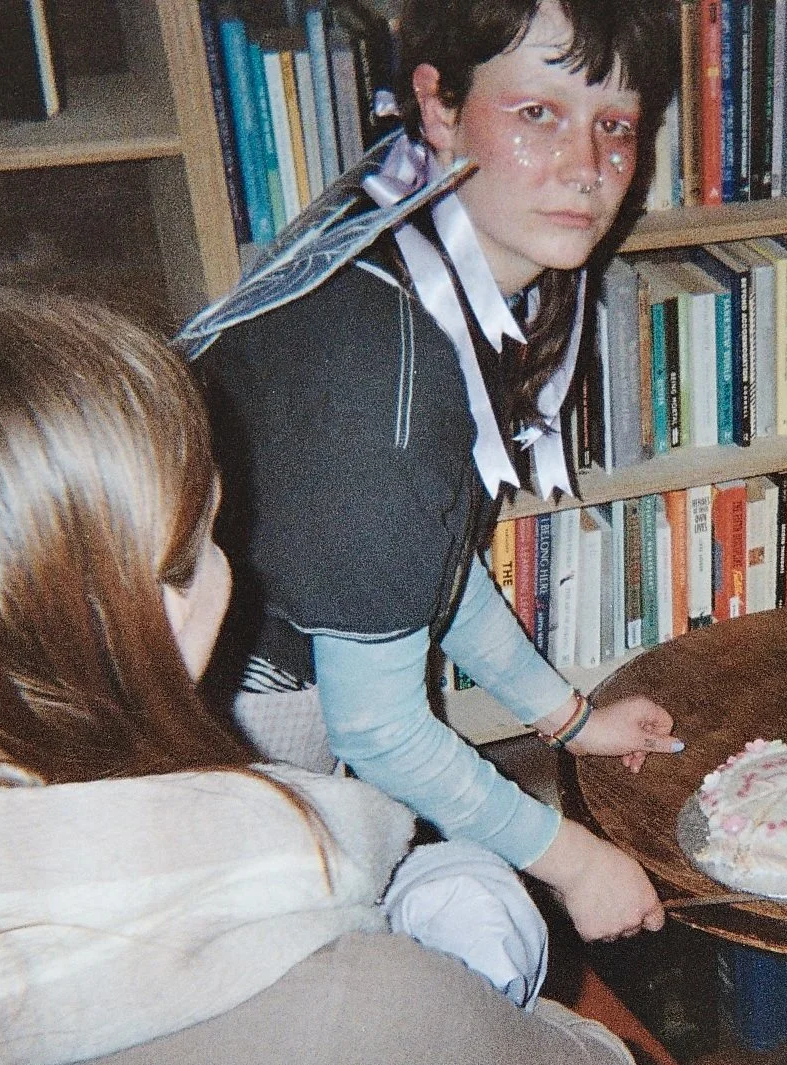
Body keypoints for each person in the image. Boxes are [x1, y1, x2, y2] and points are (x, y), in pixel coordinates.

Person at [0, 286, 634, 1064]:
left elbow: (421, 571)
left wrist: (568, 717)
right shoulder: (366, 1008)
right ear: (161, 606)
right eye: (210, 535)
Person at [180, 0, 684, 945]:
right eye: (538, 113)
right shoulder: (382, 369)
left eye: (615, 126)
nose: (586, 167)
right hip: (225, 723)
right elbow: (374, 726)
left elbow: (425, 562)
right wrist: (575, 862)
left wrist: (568, 719)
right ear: (440, 106)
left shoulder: (402, 215)